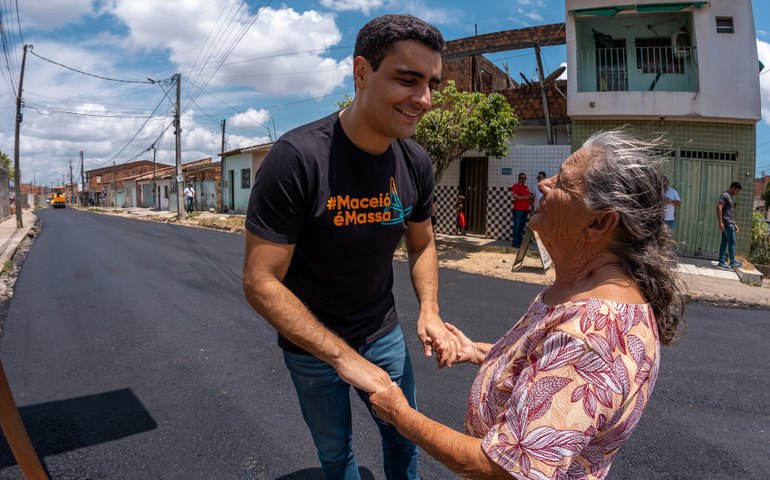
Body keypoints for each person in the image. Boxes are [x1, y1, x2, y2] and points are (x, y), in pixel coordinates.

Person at [369, 130, 685, 479]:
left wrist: (400, 414)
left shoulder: (594, 336)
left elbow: (503, 469)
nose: (545, 185)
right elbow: (544, 362)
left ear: (599, 222)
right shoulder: (579, 293)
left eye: (563, 183)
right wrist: (478, 352)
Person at [242, 14, 458, 480]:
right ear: (362, 72)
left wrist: (430, 311)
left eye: (431, 84)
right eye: (407, 79)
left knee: (406, 441)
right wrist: (342, 357)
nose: (423, 98)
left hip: (383, 335)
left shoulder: (414, 161)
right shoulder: (297, 159)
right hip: (313, 348)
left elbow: (421, 244)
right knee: (336, 455)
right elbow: (261, 282)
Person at [716, 181, 742, 269]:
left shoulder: (730, 197)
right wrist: (720, 222)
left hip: (729, 222)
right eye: (737, 191)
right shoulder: (725, 195)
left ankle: (721, 261)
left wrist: (735, 223)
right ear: (733, 188)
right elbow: (719, 207)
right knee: (732, 242)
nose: (737, 193)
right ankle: (733, 262)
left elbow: (730, 212)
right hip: (727, 223)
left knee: (724, 242)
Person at [511, 172, 534, 248]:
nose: (523, 179)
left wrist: (531, 205)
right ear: (519, 178)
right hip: (518, 210)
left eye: (524, 178)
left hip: (525, 210)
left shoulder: (526, 187)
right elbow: (515, 197)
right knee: (517, 226)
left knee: (522, 226)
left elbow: (530, 196)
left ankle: (520, 242)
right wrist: (526, 197)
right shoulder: (516, 186)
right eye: (522, 178)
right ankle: (515, 242)